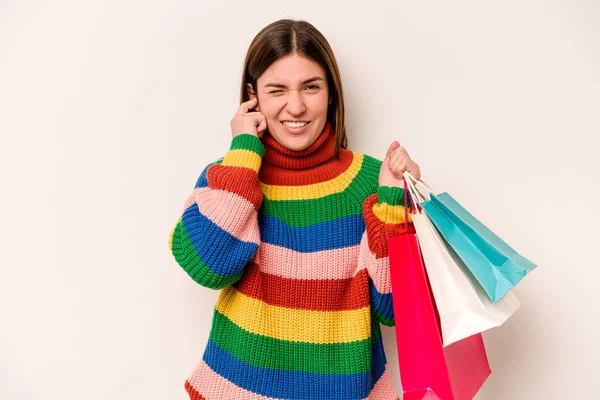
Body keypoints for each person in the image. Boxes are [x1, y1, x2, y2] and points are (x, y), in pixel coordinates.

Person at [168, 18, 421, 400]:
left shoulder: (372, 180)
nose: (296, 106)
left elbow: (395, 310)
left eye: (311, 87)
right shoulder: (232, 174)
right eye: (277, 90)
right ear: (252, 97)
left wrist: (394, 203)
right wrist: (242, 152)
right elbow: (206, 266)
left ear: (331, 93)